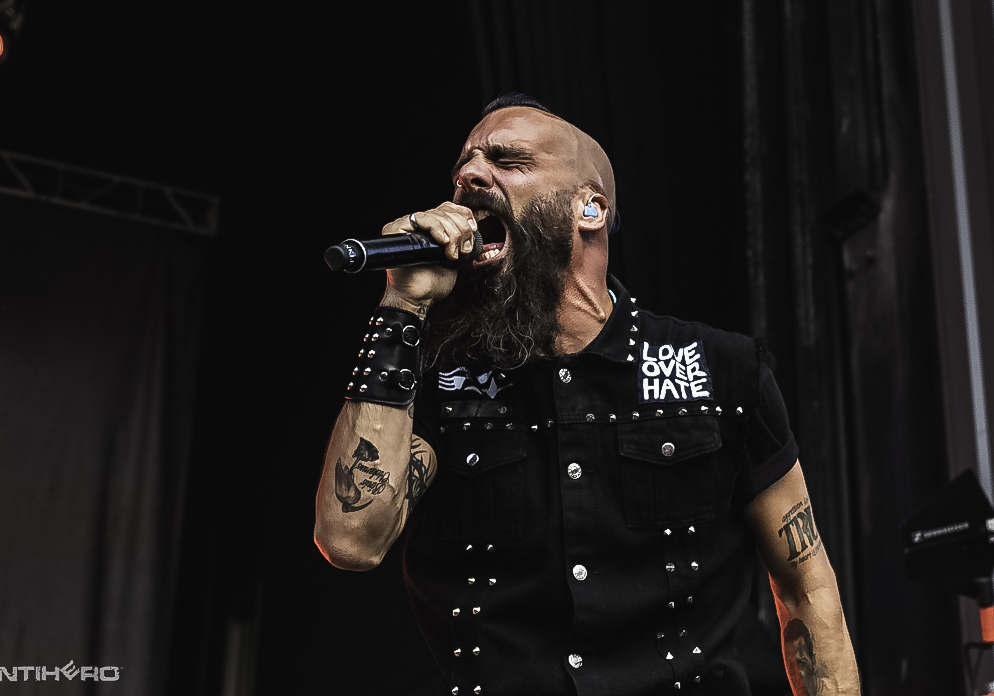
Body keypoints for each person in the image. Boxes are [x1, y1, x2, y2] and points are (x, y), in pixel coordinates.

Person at [314, 94, 860, 696]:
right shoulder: (439, 383)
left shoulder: (722, 370)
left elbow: (807, 587)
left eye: (508, 161)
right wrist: (402, 305)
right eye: (463, 168)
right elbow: (350, 540)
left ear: (590, 208)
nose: (469, 177)